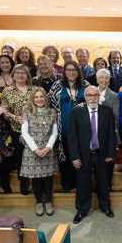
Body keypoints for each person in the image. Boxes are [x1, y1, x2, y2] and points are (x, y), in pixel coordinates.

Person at [69, 86, 116, 224]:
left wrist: (111, 153)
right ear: (85, 97)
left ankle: (105, 206)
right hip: (84, 155)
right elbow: (72, 137)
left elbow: (111, 135)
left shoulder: (107, 111)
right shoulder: (76, 112)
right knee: (83, 183)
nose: (92, 98)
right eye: (89, 95)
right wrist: (75, 157)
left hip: (101, 154)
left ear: (99, 96)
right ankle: (82, 210)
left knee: (103, 182)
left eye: (95, 95)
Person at [48, 60, 90, 192]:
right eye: (68, 70)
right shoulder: (57, 85)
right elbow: (49, 103)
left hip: (82, 129)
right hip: (63, 128)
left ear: (78, 72)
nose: (71, 72)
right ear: (64, 72)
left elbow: (93, 101)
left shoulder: (85, 85)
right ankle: (68, 185)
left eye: (74, 70)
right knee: (66, 157)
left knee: (81, 157)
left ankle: (80, 185)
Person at [21, 87, 59, 217]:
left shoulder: (52, 112)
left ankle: (48, 202)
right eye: (36, 97)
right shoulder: (27, 113)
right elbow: (24, 133)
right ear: (33, 99)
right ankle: (38, 202)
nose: (39, 99)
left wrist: (48, 147)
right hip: (33, 150)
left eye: (41, 96)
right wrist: (35, 149)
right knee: (36, 179)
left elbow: (54, 132)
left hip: (48, 149)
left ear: (46, 98)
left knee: (48, 178)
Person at [2, 64, 33, 195]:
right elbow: (4, 111)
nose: (20, 75)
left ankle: (37, 181)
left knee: (34, 156)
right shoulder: (7, 91)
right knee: (21, 157)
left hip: (34, 130)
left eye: (23, 73)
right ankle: (23, 181)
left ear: (27, 76)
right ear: (13, 75)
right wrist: (16, 118)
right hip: (17, 130)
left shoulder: (35, 89)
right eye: (17, 73)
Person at [96, 68, 120, 190]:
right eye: (101, 77)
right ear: (97, 79)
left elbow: (116, 117)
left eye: (106, 78)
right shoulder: (91, 93)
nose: (104, 80)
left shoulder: (114, 96)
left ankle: (107, 185)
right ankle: (98, 185)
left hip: (109, 134)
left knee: (108, 161)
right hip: (93, 135)